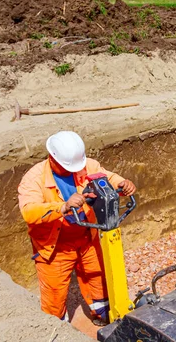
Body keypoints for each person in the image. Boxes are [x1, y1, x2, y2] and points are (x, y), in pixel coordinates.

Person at [18, 131, 136, 325]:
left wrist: (121, 183)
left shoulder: (87, 165)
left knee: (98, 279)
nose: (73, 171)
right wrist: (62, 206)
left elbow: (106, 176)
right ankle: (57, 329)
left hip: (87, 237)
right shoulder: (34, 178)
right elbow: (29, 211)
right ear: (52, 158)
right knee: (54, 295)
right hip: (55, 247)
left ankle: (105, 316)